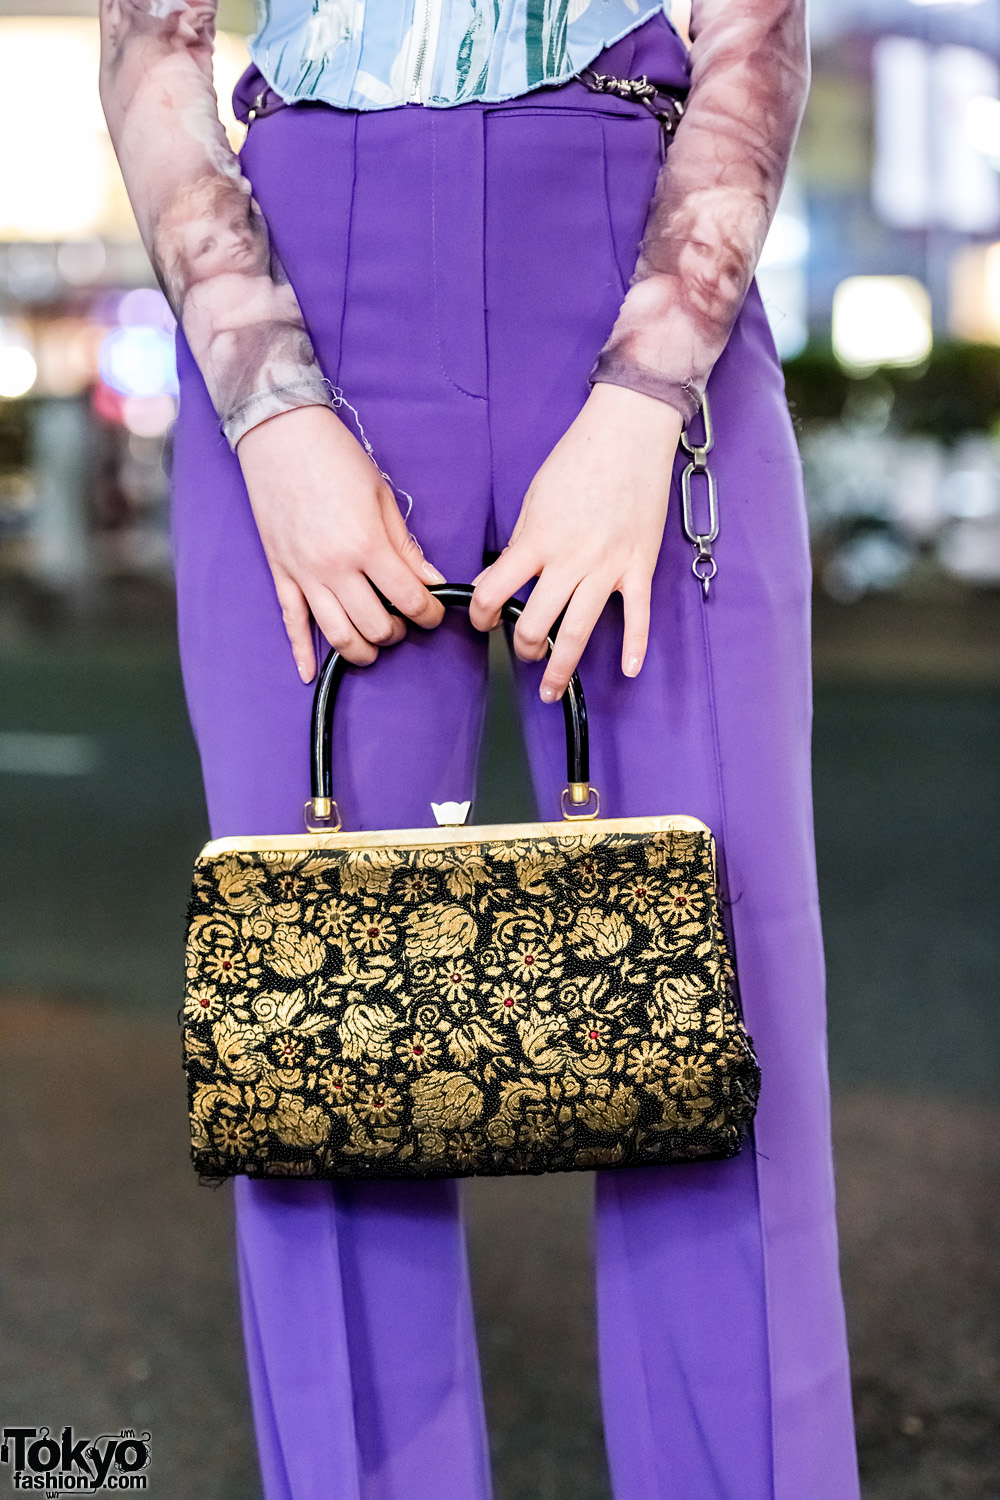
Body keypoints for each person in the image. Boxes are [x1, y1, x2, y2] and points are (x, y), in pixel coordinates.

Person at [99, 0, 862, 1495]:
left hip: (638, 217)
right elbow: (149, 38)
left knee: (725, 1001)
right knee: (326, 1032)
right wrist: (270, 408)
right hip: (304, 266)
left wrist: (648, 397)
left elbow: (754, 22)